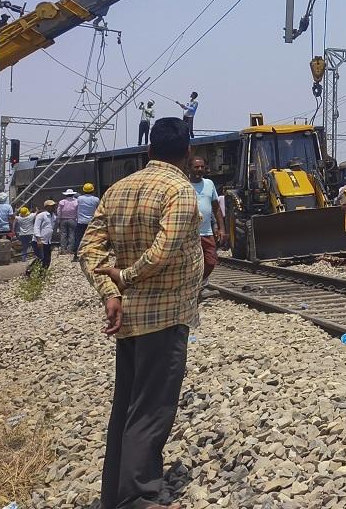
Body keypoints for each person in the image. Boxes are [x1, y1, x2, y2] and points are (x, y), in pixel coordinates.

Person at [78, 117, 202, 509]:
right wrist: (126, 278)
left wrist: (109, 291)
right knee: (152, 407)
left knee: (128, 404)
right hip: (164, 315)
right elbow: (164, 252)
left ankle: (115, 491)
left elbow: (89, 249)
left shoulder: (116, 190)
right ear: (187, 153)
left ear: (149, 151)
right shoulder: (179, 191)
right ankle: (138, 495)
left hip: (129, 318)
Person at [189, 158, 226, 287]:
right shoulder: (184, 184)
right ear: (190, 168)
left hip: (206, 232)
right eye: (196, 167)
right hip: (190, 234)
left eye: (202, 167)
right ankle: (194, 286)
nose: (199, 170)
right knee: (192, 263)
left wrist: (221, 228)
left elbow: (216, 208)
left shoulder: (209, 184)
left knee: (210, 261)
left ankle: (201, 282)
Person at [74, 182, 100, 259]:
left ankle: (76, 255)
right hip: (91, 222)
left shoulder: (79, 198)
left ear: (83, 190)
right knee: (92, 239)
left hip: (81, 222)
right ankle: (91, 254)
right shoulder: (96, 199)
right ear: (93, 190)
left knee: (79, 238)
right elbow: (99, 208)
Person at [33, 201, 55, 271]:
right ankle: (29, 270)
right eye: (51, 206)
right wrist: (38, 240)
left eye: (54, 206)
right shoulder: (41, 215)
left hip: (47, 241)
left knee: (47, 259)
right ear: (46, 207)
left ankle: (43, 274)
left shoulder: (53, 216)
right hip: (39, 241)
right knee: (41, 258)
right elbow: (36, 227)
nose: (53, 207)